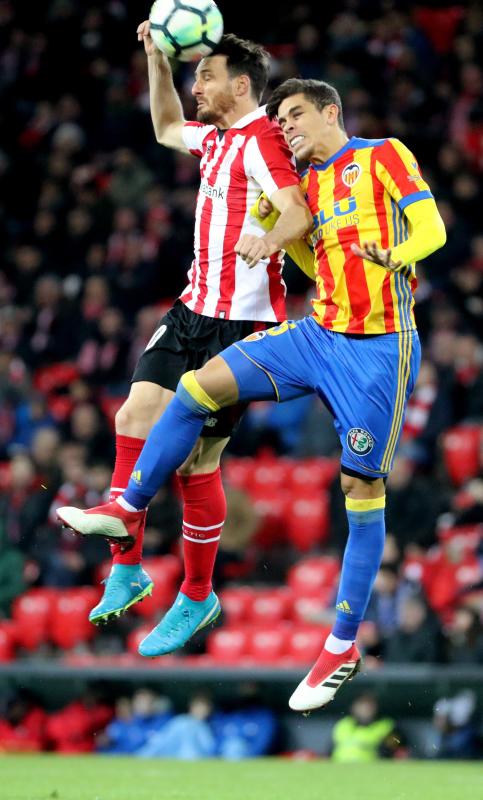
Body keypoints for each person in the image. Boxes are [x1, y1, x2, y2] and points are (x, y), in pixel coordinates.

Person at [57, 78, 446, 711]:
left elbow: (432, 230)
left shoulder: (384, 155)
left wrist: (395, 254)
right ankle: (129, 506)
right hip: (318, 333)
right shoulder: (305, 186)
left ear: (331, 113)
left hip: (378, 350)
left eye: (296, 116)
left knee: (362, 494)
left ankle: (342, 643)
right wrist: (275, 234)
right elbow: (314, 269)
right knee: (194, 389)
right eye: (280, 119)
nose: (287, 128)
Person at [58, 27, 311, 626]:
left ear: (241, 85)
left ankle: (197, 595)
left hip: (241, 325)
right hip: (191, 309)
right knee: (131, 418)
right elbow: (165, 126)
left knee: (199, 460)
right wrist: (155, 60)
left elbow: (298, 210)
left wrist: (267, 239)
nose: (194, 85)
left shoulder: (263, 142)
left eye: (205, 75)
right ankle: (127, 569)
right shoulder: (217, 139)